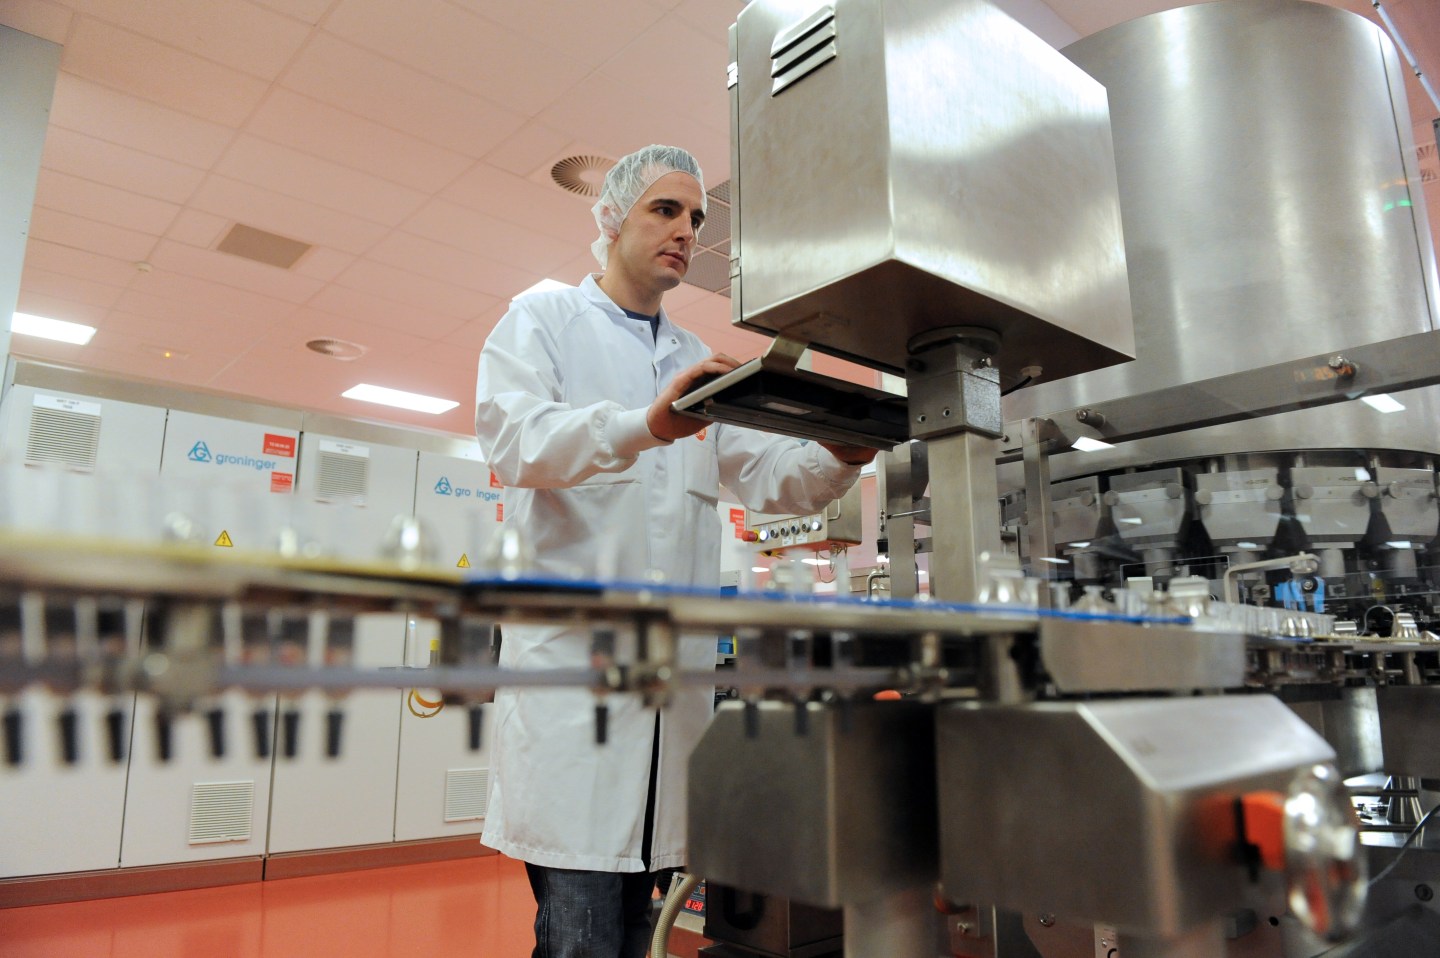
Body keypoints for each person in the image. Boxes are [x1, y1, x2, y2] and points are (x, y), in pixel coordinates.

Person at [473, 144, 874, 958]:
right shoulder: (543, 318)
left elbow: (770, 476)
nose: (686, 231)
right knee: (584, 941)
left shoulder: (693, 359)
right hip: (575, 712)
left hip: (669, 723)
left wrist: (846, 448)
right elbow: (517, 439)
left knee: (638, 938)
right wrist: (645, 424)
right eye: (665, 210)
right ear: (613, 218)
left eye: (695, 217)